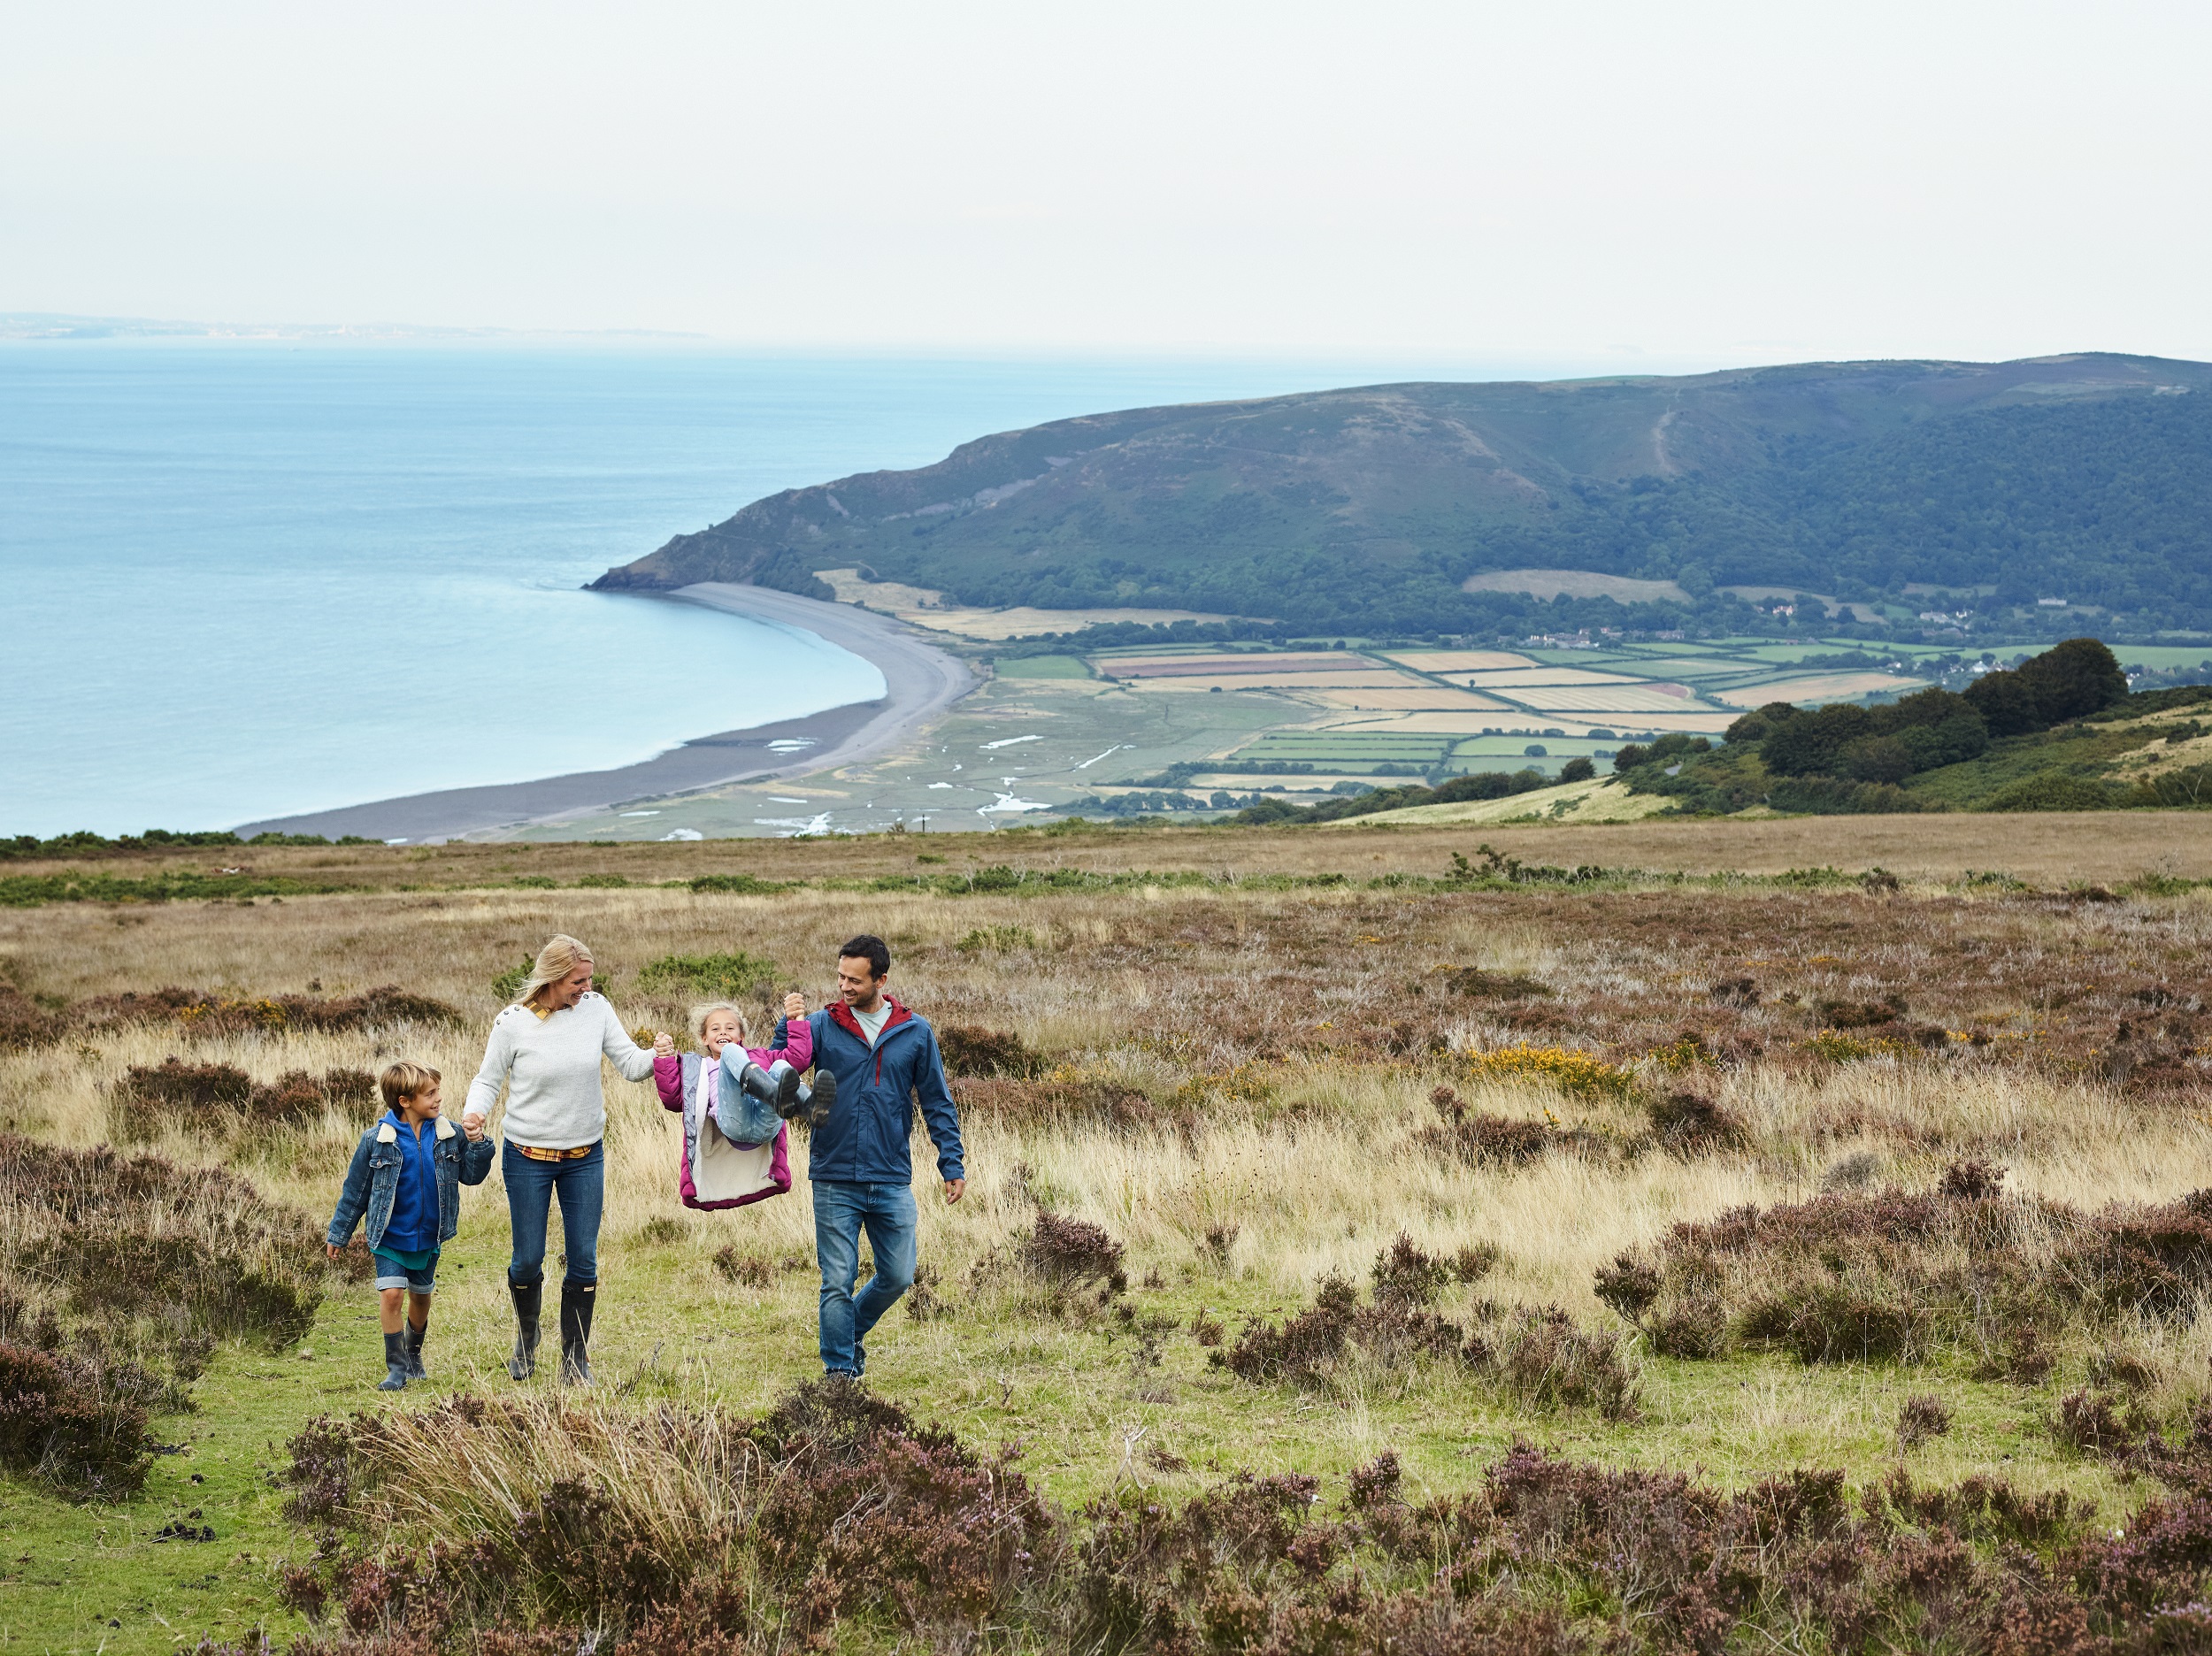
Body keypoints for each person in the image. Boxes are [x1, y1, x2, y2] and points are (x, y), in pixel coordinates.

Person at [463, 933, 655, 1385]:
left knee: (584, 1259)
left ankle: (576, 1360)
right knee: (527, 1260)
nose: (585, 988)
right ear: (552, 977)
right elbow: (488, 1080)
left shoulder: (597, 1009)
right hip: (527, 1156)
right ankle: (527, 1342)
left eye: (589, 979)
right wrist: (474, 1112)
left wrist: (661, 1059)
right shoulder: (512, 1022)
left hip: (585, 1157)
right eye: (577, 981)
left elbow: (629, 1063)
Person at [796, 933, 965, 1379]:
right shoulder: (820, 1025)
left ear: (881, 979)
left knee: (898, 1275)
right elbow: (784, 1064)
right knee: (837, 1280)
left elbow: (937, 1102)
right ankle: (839, 1373)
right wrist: (787, 1027)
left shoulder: (915, 1032)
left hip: (891, 1176)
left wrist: (951, 1163)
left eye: (854, 979)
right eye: (839, 976)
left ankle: (847, 1334)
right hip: (833, 1174)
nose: (843, 987)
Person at [325, 1061, 493, 1391]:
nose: (438, 1098)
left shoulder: (451, 1134)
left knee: (420, 1295)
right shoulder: (376, 1140)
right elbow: (355, 1192)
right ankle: (397, 1367)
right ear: (405, 1101)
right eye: (429, 1093)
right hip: (388, 1236)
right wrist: (339, 1233)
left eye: (437, 1091)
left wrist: (478, 1142)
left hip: (430, 1235)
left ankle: (414, 1354)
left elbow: (472, 1177)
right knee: (392, 1295)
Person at [651, 993, 814, 1209]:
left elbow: (798, 1058)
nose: (723, 1033)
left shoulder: (761, 1056)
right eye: (715, 1029)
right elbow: (672, 1099)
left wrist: (796, 1019)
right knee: (730, 1053)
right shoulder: (698, 1068)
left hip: (766, 1125)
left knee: (781, 1067)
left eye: (730, 1028)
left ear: (741, 1035)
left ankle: (810, 1104)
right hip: (734, 1123)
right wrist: (665, 1059)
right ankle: (762, 1086)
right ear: (704, 1038)